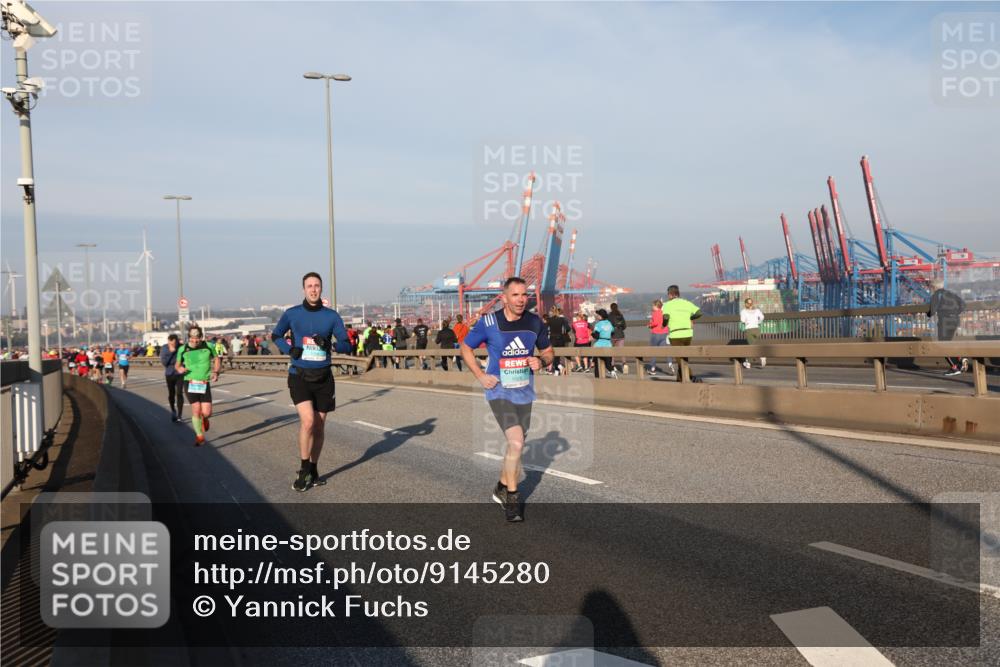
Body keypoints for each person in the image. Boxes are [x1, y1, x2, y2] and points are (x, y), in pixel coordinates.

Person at [459, 277, 553, 523]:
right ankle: (512, 498)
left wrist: (541, 361)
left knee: (516, 445)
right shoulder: (488, 322)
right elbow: (466, 347)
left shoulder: (535, 322)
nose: (521, 299)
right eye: (515, 295)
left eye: (524, 295)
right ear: (504, 297)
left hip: (524, 392)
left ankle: (501, 486)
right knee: (518, 443)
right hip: (499, 391)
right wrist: (480, 375)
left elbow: (548, 351)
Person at [270, 272, 352, 491]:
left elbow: (347, 344)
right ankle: (304, 468)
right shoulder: (292, 314)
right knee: (308, 422)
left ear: (321, 288)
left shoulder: (331, 316)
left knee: (319, 425)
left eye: (317, 286)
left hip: (324, 377)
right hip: (299, 375)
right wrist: (290, 349)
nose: (313, 289)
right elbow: (276, 335)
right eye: (309, 286)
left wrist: (330, 345)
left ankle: (314, 468)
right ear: (303, 289)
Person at [175, 325, 220, 446]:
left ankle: (204, 419)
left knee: (207, 412)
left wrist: (215, 372)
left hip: (204, 383)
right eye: (192, 338)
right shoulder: (183, 349)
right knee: (196, 410)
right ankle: (199, 436)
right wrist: (179, 369)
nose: (195, 341)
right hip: (189, 382)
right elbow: (177, 365)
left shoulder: (208, 346)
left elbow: (216, 359)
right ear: (188, 337)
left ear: (201, 337)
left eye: (198, 338)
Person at [661, 285, 702, 381]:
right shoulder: (686, 303)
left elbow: (666, 317)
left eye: (668, 294)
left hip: (675, 334)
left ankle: (692, 377)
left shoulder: (667, 305)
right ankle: (680, 380)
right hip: (688, 334)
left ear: (670, 295)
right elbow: (699, 313)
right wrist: (690, 318)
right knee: (684, 357)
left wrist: (664, 324)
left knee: (680, 360)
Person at [928, 281, 968, 376]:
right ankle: (959, 358)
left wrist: (928, 313)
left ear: (934, 287)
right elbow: (964, 305)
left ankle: (954, 368)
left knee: (943, 346)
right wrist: (955, 313)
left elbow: (932, 311)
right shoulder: (951, 293)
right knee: (948, 343)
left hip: (944, 322)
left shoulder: (936, 295)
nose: (930, 290)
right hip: (954, 321)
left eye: (931, 288)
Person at [160, 333, 185, 423]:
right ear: (168, 341)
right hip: (170, 373)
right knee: (171, 394)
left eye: (175, 343)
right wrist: (171, 352)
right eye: (171, 343)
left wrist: (184, 366)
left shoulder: (182, 347)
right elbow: (164, 363)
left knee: (179, 393)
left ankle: (179, 415)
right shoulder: (164, 348)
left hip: (180, 373)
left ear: (177, 341)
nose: (173, 345)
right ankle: (173, 411)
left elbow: (186, 359)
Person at [647, 299, 673, 376]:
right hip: (664, 333)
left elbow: (655, 323)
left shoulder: (655, 313)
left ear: (656, 306)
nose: (652, 307)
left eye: (653, 305)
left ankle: (652, 369)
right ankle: (670, 364)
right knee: (665, 351)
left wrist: (650, 325)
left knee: (654, 351)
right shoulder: (663, 313)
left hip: (656, 334)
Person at [740, 297, 766, 369]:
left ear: (745, 304)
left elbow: (742, 320)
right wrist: (758, 322)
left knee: (751, 346)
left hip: (749, 330)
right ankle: (747, 361)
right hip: (756, 329)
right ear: (752, 303)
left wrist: (746, 321)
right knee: (754, 344)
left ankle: (759, 357)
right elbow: (762, 317)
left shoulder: (743, 311)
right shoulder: (757, 310)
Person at [592, 309, 617, 378]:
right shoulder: (609, 323)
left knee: (597, 364)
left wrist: (592, 334)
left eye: (598, 315)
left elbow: (596, 336)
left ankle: (597, 378)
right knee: (608, 363)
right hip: (608, 344)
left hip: (599, 345)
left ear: (600, 316)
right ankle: (612, 372)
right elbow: (612, 332)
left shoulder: (598, 324)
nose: (597, 316)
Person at [546, 306, 571, 375]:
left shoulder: (549, 320)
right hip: (561, 339)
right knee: (558, 355)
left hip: (552, 339)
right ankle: (557, 372)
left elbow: (545, 329)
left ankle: (560, 367)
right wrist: (563, 332)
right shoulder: (562, 319)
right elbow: (568, 328)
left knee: (553, 356)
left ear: (551, 312)